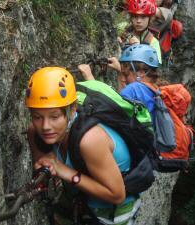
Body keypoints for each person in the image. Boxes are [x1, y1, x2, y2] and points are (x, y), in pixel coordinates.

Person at [25, 67, 140, 225]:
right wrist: (43, 161)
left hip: (112, 210)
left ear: (72, 110)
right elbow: (41, 159)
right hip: (80, 200)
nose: (45, 126)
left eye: (55, 116)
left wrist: (65, 172)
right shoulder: (35, 132)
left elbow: (117, 195)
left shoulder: (90, 140)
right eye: (37, 117)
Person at [79, 44, 166, 119]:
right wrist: (121, 72)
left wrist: (90, 78)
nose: (124, 79)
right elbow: (123, 100)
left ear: (141, 73)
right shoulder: (154, 88)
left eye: (126, 74)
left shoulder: (135, 89)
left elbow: (109, 111)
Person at [118, 0, 163, 65]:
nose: (138, 21)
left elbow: (154, 69)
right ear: (131, 17)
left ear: (150, 19)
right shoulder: (122, 28)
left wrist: (139, 49)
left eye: (143, 17)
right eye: (135, 16)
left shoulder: (153, 42)